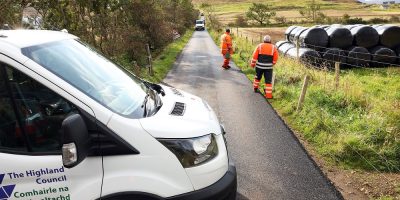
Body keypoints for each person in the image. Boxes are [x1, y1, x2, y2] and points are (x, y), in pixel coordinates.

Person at [250, 35, 279, 99]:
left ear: (264, 40)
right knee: (268, 81)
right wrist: (273, 63)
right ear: (270, 41)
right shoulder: (273, 47)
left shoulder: (259, 46)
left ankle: (255, 88)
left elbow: (254, 56)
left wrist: (252, 64)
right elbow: (276, 57)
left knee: (257, 77)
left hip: (259, 66)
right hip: (268, 67)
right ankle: (268, 95)